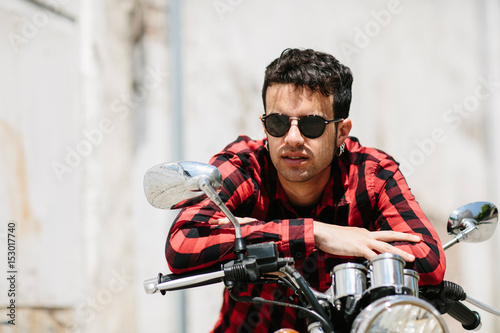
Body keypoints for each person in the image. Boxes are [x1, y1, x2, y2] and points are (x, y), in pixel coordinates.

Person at [165, 48, 446, 332]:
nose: (293, 138)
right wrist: (316, 233)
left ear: (342, 131)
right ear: (264, 126)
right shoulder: (245, 165)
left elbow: (427, 258)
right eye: (278, 123)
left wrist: (250, 233)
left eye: (312, 125)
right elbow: (182, 243)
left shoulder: (372, 174)